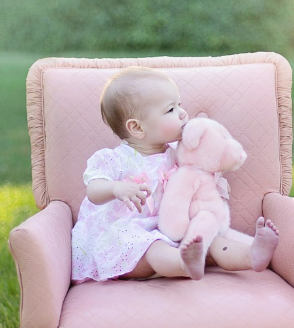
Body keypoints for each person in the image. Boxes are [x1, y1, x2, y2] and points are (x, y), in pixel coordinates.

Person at [71, 66, 279, 282]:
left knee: (212, 236)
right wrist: (116, 188)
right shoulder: (115, 159)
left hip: (175, 230)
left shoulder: (178, 153)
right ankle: (183, 263)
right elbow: (93, 191)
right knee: (153, 246)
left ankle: (251, 254)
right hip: (129, 243)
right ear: (137, 128)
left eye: (179, 104)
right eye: (170, 109)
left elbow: (207, 162)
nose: (182, 113)